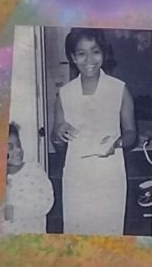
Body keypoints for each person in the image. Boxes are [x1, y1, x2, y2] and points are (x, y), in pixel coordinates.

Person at [54, 28, 135, 235]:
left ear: (103, 53)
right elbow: (57, 140)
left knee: (109, 230)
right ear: (73, 57)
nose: (89, 59)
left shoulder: (119, 89)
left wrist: (116, 143)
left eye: (95, 51)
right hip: (76, 174)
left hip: (110, 172)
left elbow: (130, 133)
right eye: (81, 53)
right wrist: (60, 132)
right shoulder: (65, 93)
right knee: (76, 231)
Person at [3, 121, 53, 232]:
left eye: (19, 145)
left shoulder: (33, 171)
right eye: (10, 147)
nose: (18, 150)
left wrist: (15, 212)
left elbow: (46, 202)